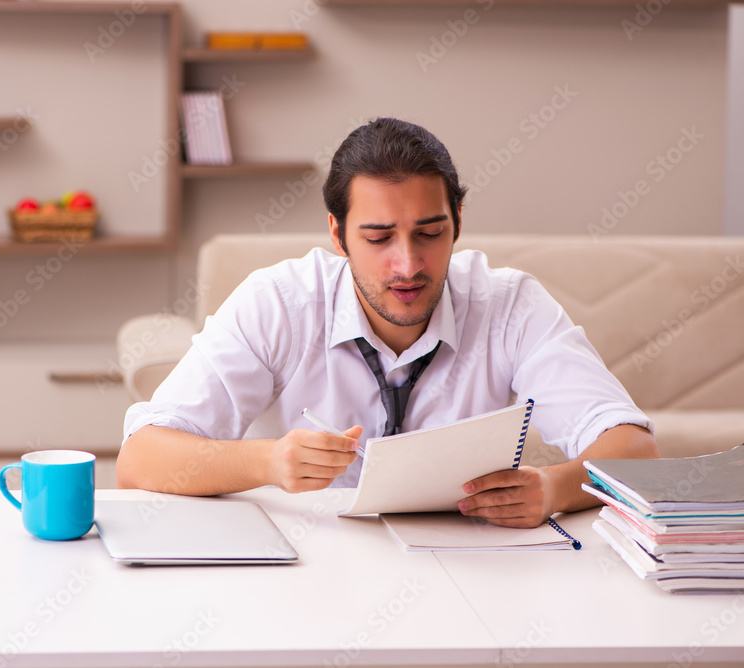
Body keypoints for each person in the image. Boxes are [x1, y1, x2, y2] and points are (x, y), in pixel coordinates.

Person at [117, 118, 659, 528]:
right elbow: (141, 460)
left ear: (458, 223)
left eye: (429, 233)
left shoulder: (509, 305)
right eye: (378, 239)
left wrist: (554, 488)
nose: (408, 264)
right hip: (309, 573)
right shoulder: (279, 302)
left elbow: (635, 450)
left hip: (471, 574)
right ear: (338, 235)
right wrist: (268, 460)